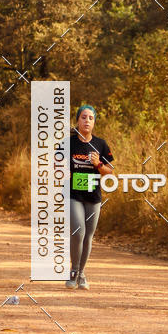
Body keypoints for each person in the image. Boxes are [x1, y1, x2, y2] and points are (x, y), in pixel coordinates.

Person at [67, 105, 114, 290]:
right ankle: (74, 270)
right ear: (78, 120)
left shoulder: (101, 144)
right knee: (78, 232)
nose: (87, 120)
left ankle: (82, 274)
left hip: (93, 196)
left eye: (91, 118)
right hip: (74, 195)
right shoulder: (68, 143)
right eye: (83, 117)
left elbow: (109, 172)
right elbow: (56, 164)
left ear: (94, 123)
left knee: (88, 236)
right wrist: (62, 171)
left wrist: (98, 164)